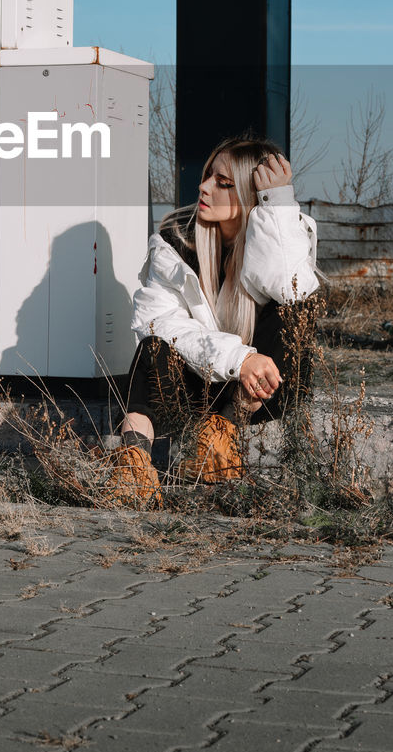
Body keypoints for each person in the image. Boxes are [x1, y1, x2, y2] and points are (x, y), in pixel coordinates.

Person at [109, 136, 319, 506]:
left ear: (249, 197)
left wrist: (277, 205)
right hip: (198, 380)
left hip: (259, 392)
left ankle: (223, 434)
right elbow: (158, 323)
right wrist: (238, 359)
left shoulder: (285, 230)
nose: (204, 187)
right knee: (153, 344)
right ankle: (133, 463)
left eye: (223, 184)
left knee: (295, 312)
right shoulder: (177, 242)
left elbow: (292, 291)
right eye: (208, 176)